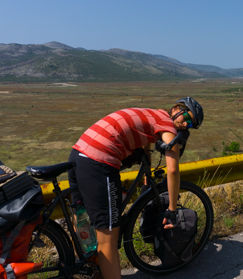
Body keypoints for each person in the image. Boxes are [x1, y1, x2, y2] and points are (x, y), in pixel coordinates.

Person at [68, 97, 204, 279]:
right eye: (186, 118)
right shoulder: (168, 125)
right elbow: (173, 170)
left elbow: (146, 136)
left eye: (190, 125)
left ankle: (92, 269)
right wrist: (171, 209)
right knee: (108, 237)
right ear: (176, 109)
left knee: (83, 217)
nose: (185, 125)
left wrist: (147, 164)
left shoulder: (154, 114)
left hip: (79, 151)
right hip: (98, 160)